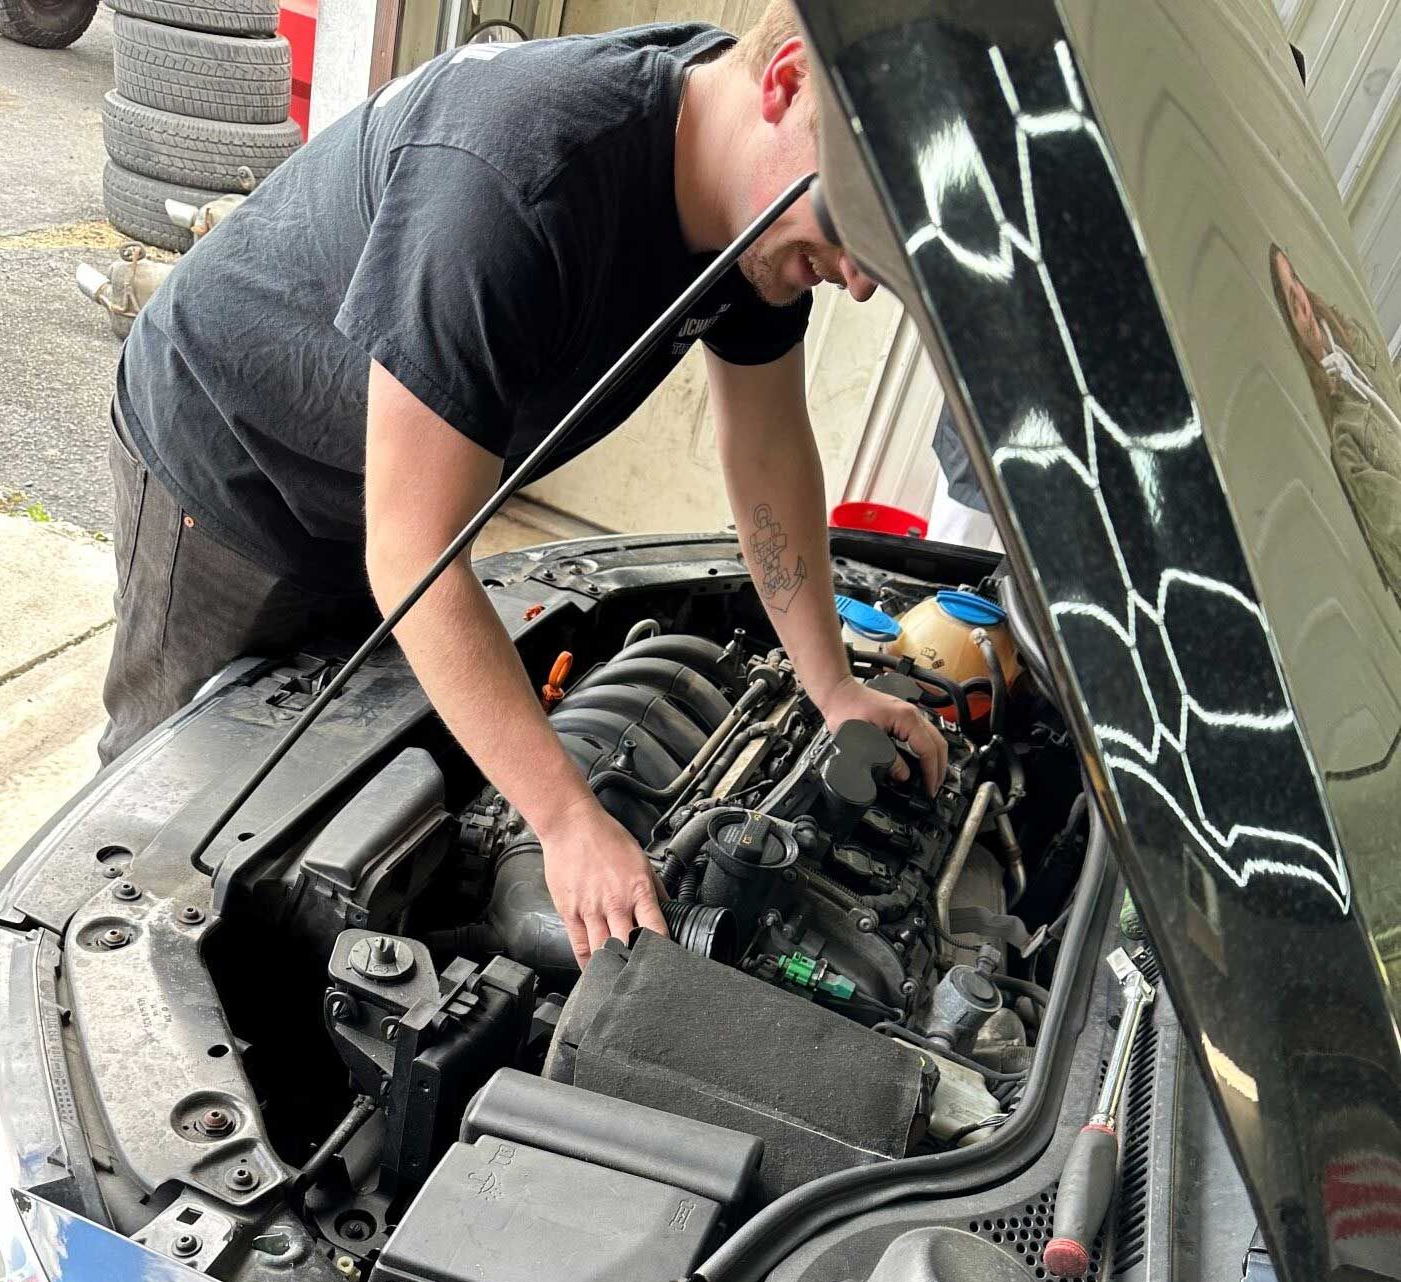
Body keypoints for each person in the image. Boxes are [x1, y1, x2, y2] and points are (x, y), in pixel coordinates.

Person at [104, 2, 946, 964]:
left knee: (347, 787)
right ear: (787, 83)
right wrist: (565, 821)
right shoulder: (518, 176)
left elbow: (767, 448)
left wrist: (830, 682)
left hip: (388, 498)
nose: (864, 281)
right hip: (233, 462)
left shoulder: (752, 221)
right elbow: (414, 552)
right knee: (178, 807)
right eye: (860, 224)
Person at [1271, 243, 1401, 607]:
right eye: (1288, 297)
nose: (1298, 299)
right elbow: (1392, 519)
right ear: (1289, 320)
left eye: (1294, 281)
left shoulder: (1355, 342)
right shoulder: (1345, 434)